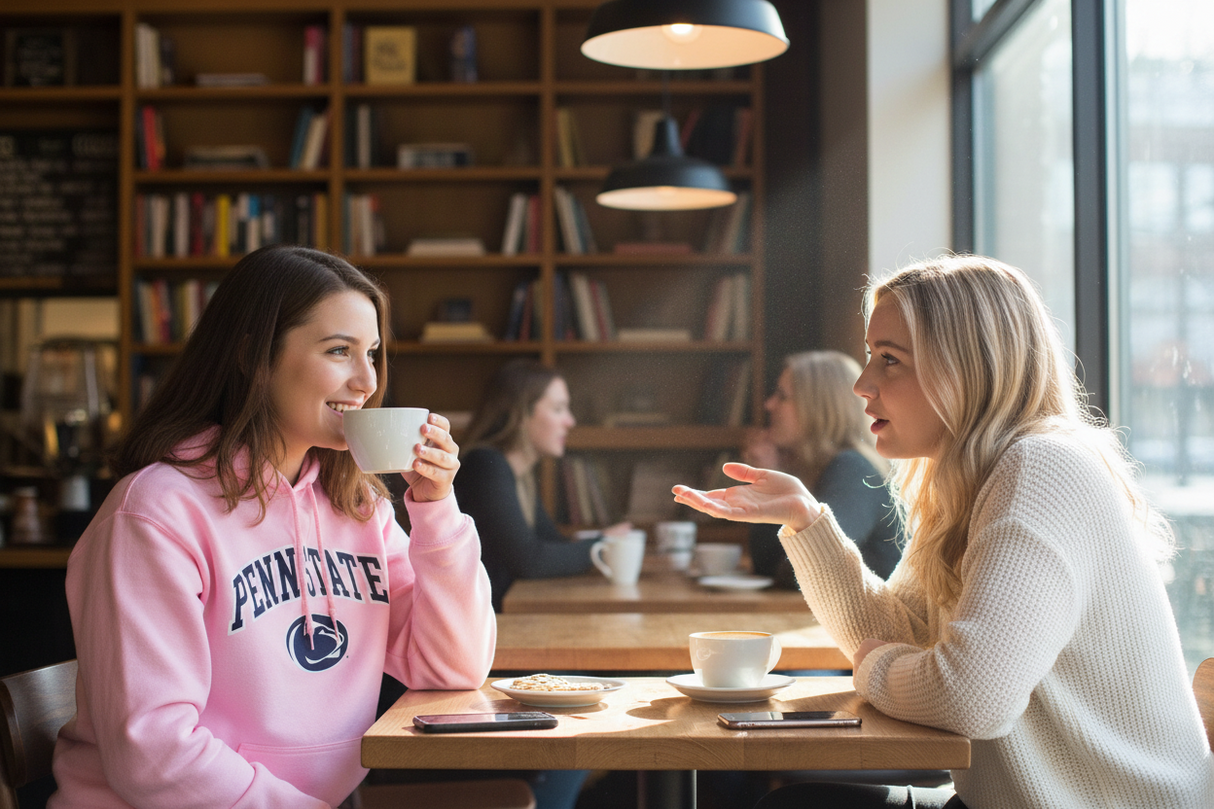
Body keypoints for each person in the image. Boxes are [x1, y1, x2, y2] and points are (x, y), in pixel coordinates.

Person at [672, 255, 1214, 809]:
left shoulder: (1042, 467)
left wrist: (875, 669)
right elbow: (898, 632)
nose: (863, 384)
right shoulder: (968, 483)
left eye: (890, 360)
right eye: (869, 357)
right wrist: (807, 522)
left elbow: (970, 699)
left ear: (967, 367)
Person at [48, 245, 496, 808]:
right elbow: (153, 752)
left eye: (373, 354)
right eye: (339, 351)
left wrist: (436, 508)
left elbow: (452, 666)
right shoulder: (153, 515)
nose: (366, 380)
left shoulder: (359, 505)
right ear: (253, 356)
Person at [454, 358, 629, 613]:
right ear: (522, 413)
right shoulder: (486, 465)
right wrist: (603, 545)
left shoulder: (518, 474)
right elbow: (530, 561)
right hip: (483, 630)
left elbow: (551, 542)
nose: (570, 421)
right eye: (559, 409)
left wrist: (601, 540)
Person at [745, 350, 901, 586]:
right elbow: (766, 564)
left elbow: (800, 575)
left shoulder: (853, 469)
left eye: (782, 396)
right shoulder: (817, 468)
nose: (769, 404)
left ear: (818, 407)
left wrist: (771, 489)